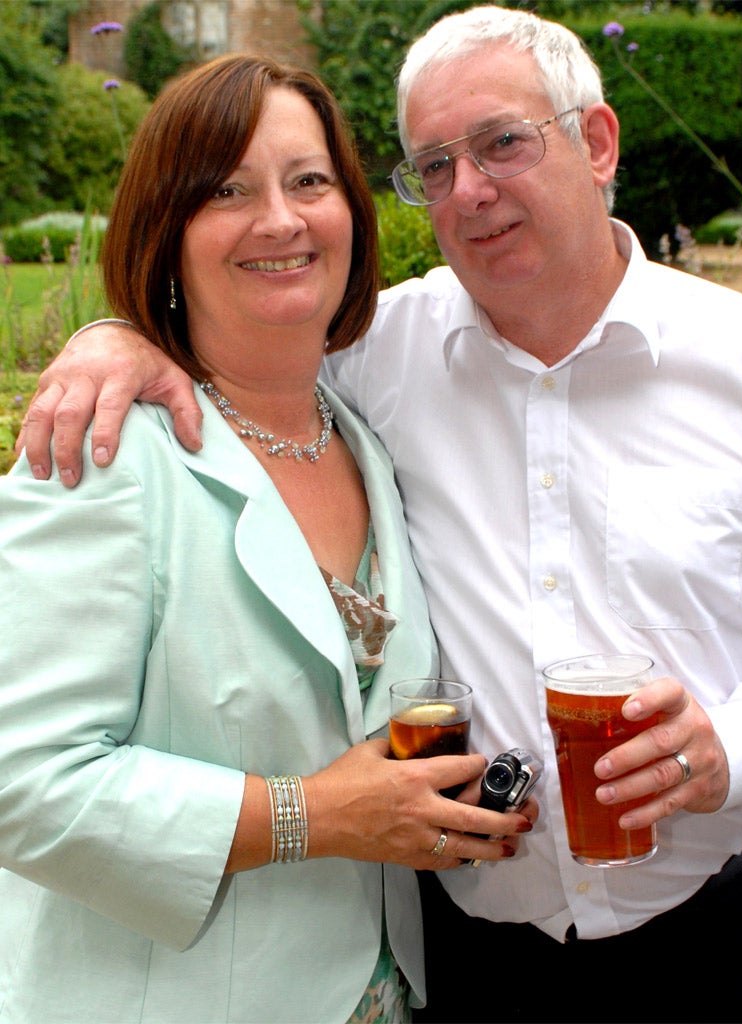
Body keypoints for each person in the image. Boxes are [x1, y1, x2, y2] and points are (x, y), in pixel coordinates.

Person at [14, 6, 742, 1022]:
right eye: (434, 165)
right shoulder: (374, 362)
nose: (472, 191)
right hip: (463, 959)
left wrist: (734, 745)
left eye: (504, 142)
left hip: (720, 927)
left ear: (596, 143)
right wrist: (117, 335)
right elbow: (244, 320)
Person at [0, 51, 533, 1024]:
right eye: (228, 191)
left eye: (309, 181)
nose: (281, 219)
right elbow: (21, 780)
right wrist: (311, 815)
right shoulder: (104, 451)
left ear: (352, 214)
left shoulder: (369, 436)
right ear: (169, 230)